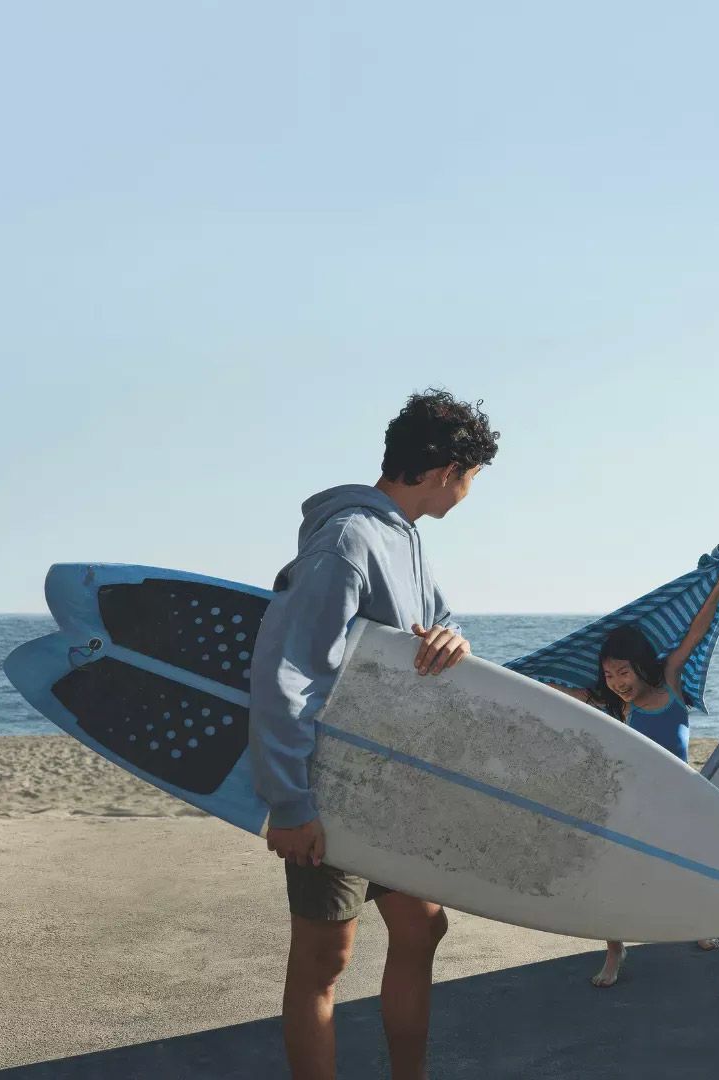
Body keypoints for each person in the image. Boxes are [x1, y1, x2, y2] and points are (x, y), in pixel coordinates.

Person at [250, 389, 499, 1080]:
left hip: (392, 786)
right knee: (323, 963)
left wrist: (454, 639)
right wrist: (291, 804)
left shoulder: (404, 539)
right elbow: (285, 672)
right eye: (473, 477)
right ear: (449, 469)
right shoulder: (348, 539)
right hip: (332, 785)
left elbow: (436, 626)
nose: (470, 493)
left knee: (423, 924)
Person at [558, 566, 719, 985]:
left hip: (682, 796)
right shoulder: (617, 706)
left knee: (691, 867)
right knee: (613, 876)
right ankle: (615, 951)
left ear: (640, 666)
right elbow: (558, 693)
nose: (617, 682)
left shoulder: (670, 682)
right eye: (609, 674)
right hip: (634, 800)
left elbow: (696, 631)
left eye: (623, 672)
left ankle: (701, 925)